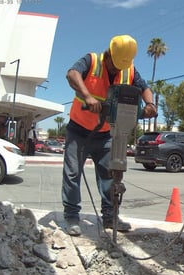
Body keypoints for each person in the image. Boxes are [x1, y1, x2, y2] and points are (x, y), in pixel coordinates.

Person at [62, 35, 157, 236]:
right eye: (114, 65)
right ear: (108, 55)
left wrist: (150, 104)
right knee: (72, 174)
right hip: (78, 130)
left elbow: (144, 88)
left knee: (108, 176)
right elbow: (72, 74)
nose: (117, 69)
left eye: (121, 66)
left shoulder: (129, 69)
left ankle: (110, 217)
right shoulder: (92, 61)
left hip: (105, 134)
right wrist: (87, 96)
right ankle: (71, 216)